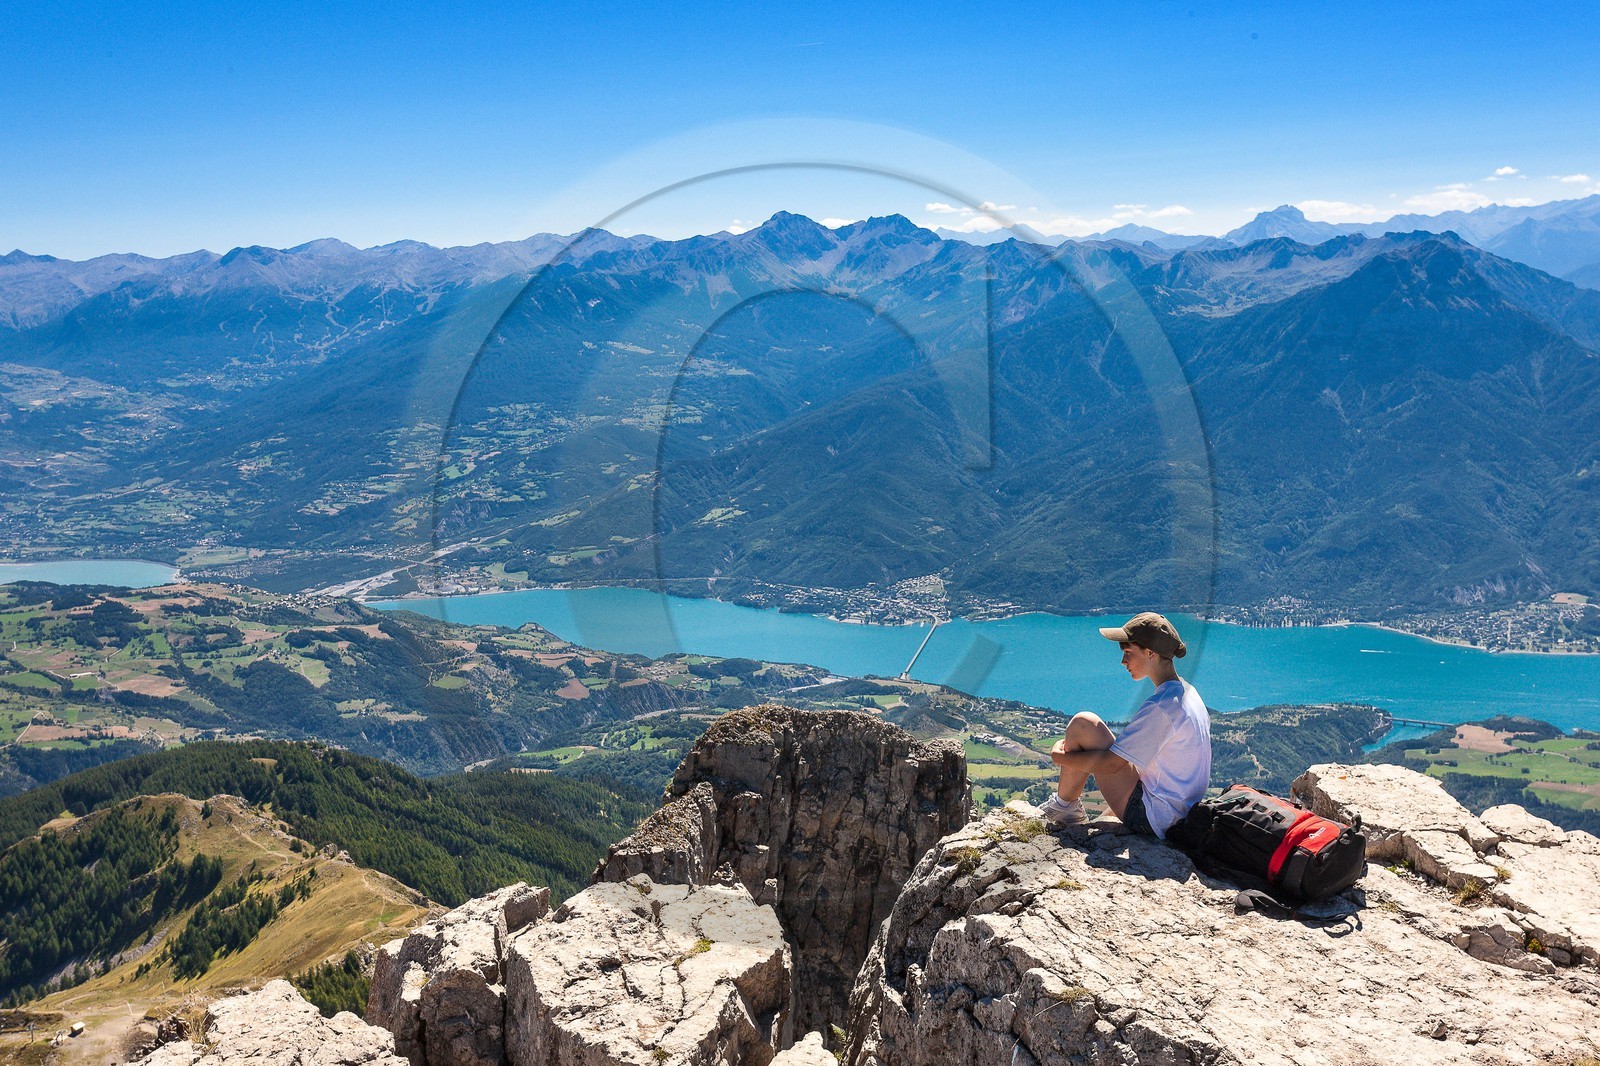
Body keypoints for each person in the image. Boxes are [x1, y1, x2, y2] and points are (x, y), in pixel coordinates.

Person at [1038, 612, 1211, 838]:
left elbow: (1111, 764)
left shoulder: (1163, 706)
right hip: (1180, 813)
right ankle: (1069, 808)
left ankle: (1065, 807)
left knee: (1083, 724)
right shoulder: (1187, 693)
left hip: (1155, 820)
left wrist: (1059, 757)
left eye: (1128, 652)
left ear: (1151, 653)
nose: (1123, 661)